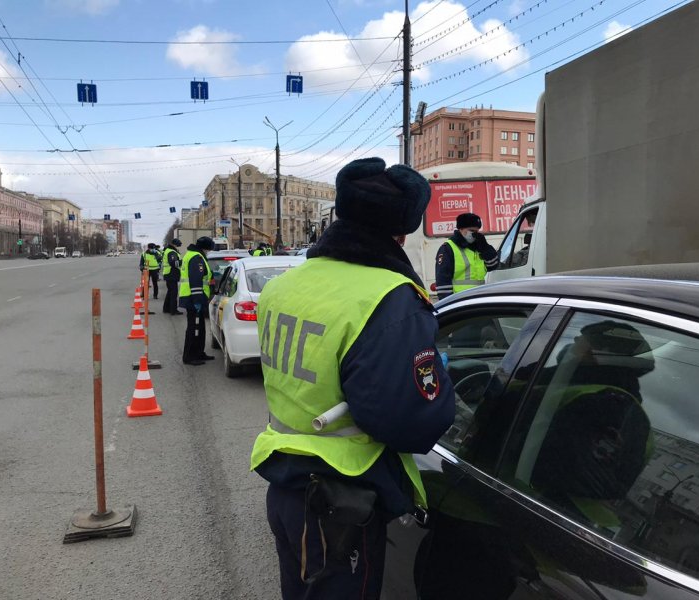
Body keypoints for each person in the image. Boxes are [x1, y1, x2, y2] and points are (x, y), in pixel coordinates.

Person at [250, 157, 455, 599]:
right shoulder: (388, 298)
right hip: (340, 503)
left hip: (285, 484)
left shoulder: (286, 285)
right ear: (401, 232)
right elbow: (408, 421)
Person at [434, 213, 499, 300]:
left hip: (480, 299)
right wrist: (449, 304)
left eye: (477, 231)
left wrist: (485, 247)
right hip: (461, 302)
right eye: (471, 231)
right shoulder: (448, 248)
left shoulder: (479, 245)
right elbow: (443, 282)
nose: (474, 235)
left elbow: (493, 266)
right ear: (461, 229)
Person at [179, 236, 216, 366]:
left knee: (200, 328)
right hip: (194, 298)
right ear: (205, 248)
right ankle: (189, 356)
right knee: (193, 328)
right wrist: (197, 300)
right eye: (209, 249)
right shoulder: (196, 258)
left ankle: (199, 352)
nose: (209, 252)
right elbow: (195, 280)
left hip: (195, 297)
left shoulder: (193, 254)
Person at [162, 238, 183, 315]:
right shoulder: (171, 252)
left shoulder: (169, 250)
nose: (178, 246)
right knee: (174, 293)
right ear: (175, 244)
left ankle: (166, 308)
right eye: (178, 245)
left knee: (170, 292)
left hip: (170, 274)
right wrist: (182, 261)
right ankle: (173, 310)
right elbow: (173, 263)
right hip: (171, 274)